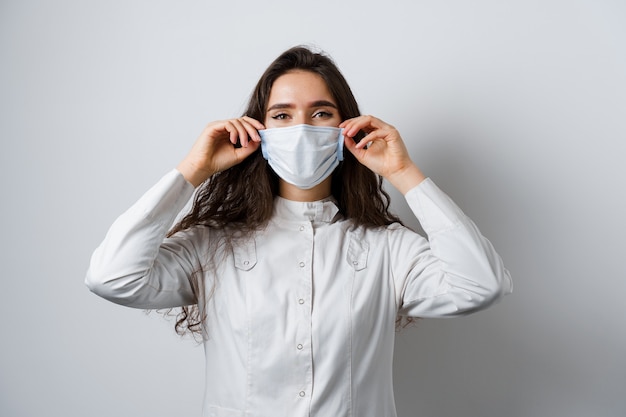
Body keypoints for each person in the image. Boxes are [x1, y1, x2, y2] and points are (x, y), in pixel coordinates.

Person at [86, 46, 512, 417]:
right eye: (282, 115)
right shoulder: (213, 245)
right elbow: (111, 277)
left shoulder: (388, 249)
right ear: (259, 130)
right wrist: (192, 171)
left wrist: (403, 172)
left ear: (349, 130)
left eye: (321, 113)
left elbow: (480, 284)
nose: (302, 129)